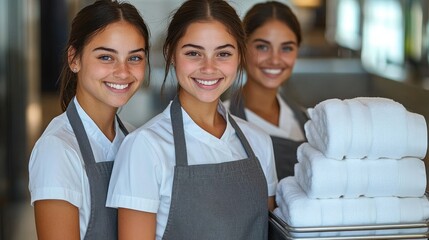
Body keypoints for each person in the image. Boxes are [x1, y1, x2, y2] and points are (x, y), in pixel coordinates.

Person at [106, 0, 278, 239]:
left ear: (240, 56)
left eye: (223, 53)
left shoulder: (259, 142)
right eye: (194, 53)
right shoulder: (144, 147)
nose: (209, 67)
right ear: (171, 54)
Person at [28, 1, 150, 239]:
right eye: (106, 57)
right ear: (74, 59)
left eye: (134, 58)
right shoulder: (57, 149)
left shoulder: (135, 139)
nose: (123, 71)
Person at [224, 1, 308, 180]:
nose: (275, 60)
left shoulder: (308, 120)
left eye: (286, 48)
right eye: (262, 47)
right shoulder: (221, 121)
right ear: (242, 48)